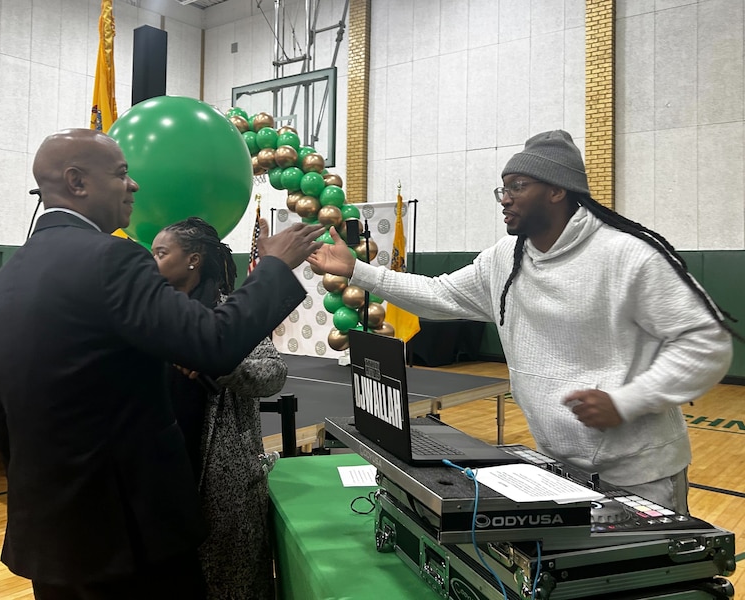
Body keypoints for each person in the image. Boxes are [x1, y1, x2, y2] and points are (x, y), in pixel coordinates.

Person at [0, 128, 324, 600]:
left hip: (51, 533)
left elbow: (2, 420)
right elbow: (215, 343)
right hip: (127, 535)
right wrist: (276, 266)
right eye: (120, 174)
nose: (134, 185)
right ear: (77, 182)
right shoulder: (111, 259)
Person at [308, 130, 735, 513]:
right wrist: (358, 271)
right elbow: (438, 295)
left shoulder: (627, 256)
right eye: (503, 188)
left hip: (642, 475)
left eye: (518, 186)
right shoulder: (504, 260)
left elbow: (706, 343)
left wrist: (627, 401)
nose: (505, 198)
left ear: (557, 192)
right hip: (556, 467)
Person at [152, 216, 283, 600]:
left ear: (193, 259)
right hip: (161, 469)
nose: (152, 260)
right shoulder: (150, 312)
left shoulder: (232, 313)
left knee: (229, 582)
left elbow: (273, 373)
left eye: (161, 253)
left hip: (223, 479)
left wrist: (221, 365)